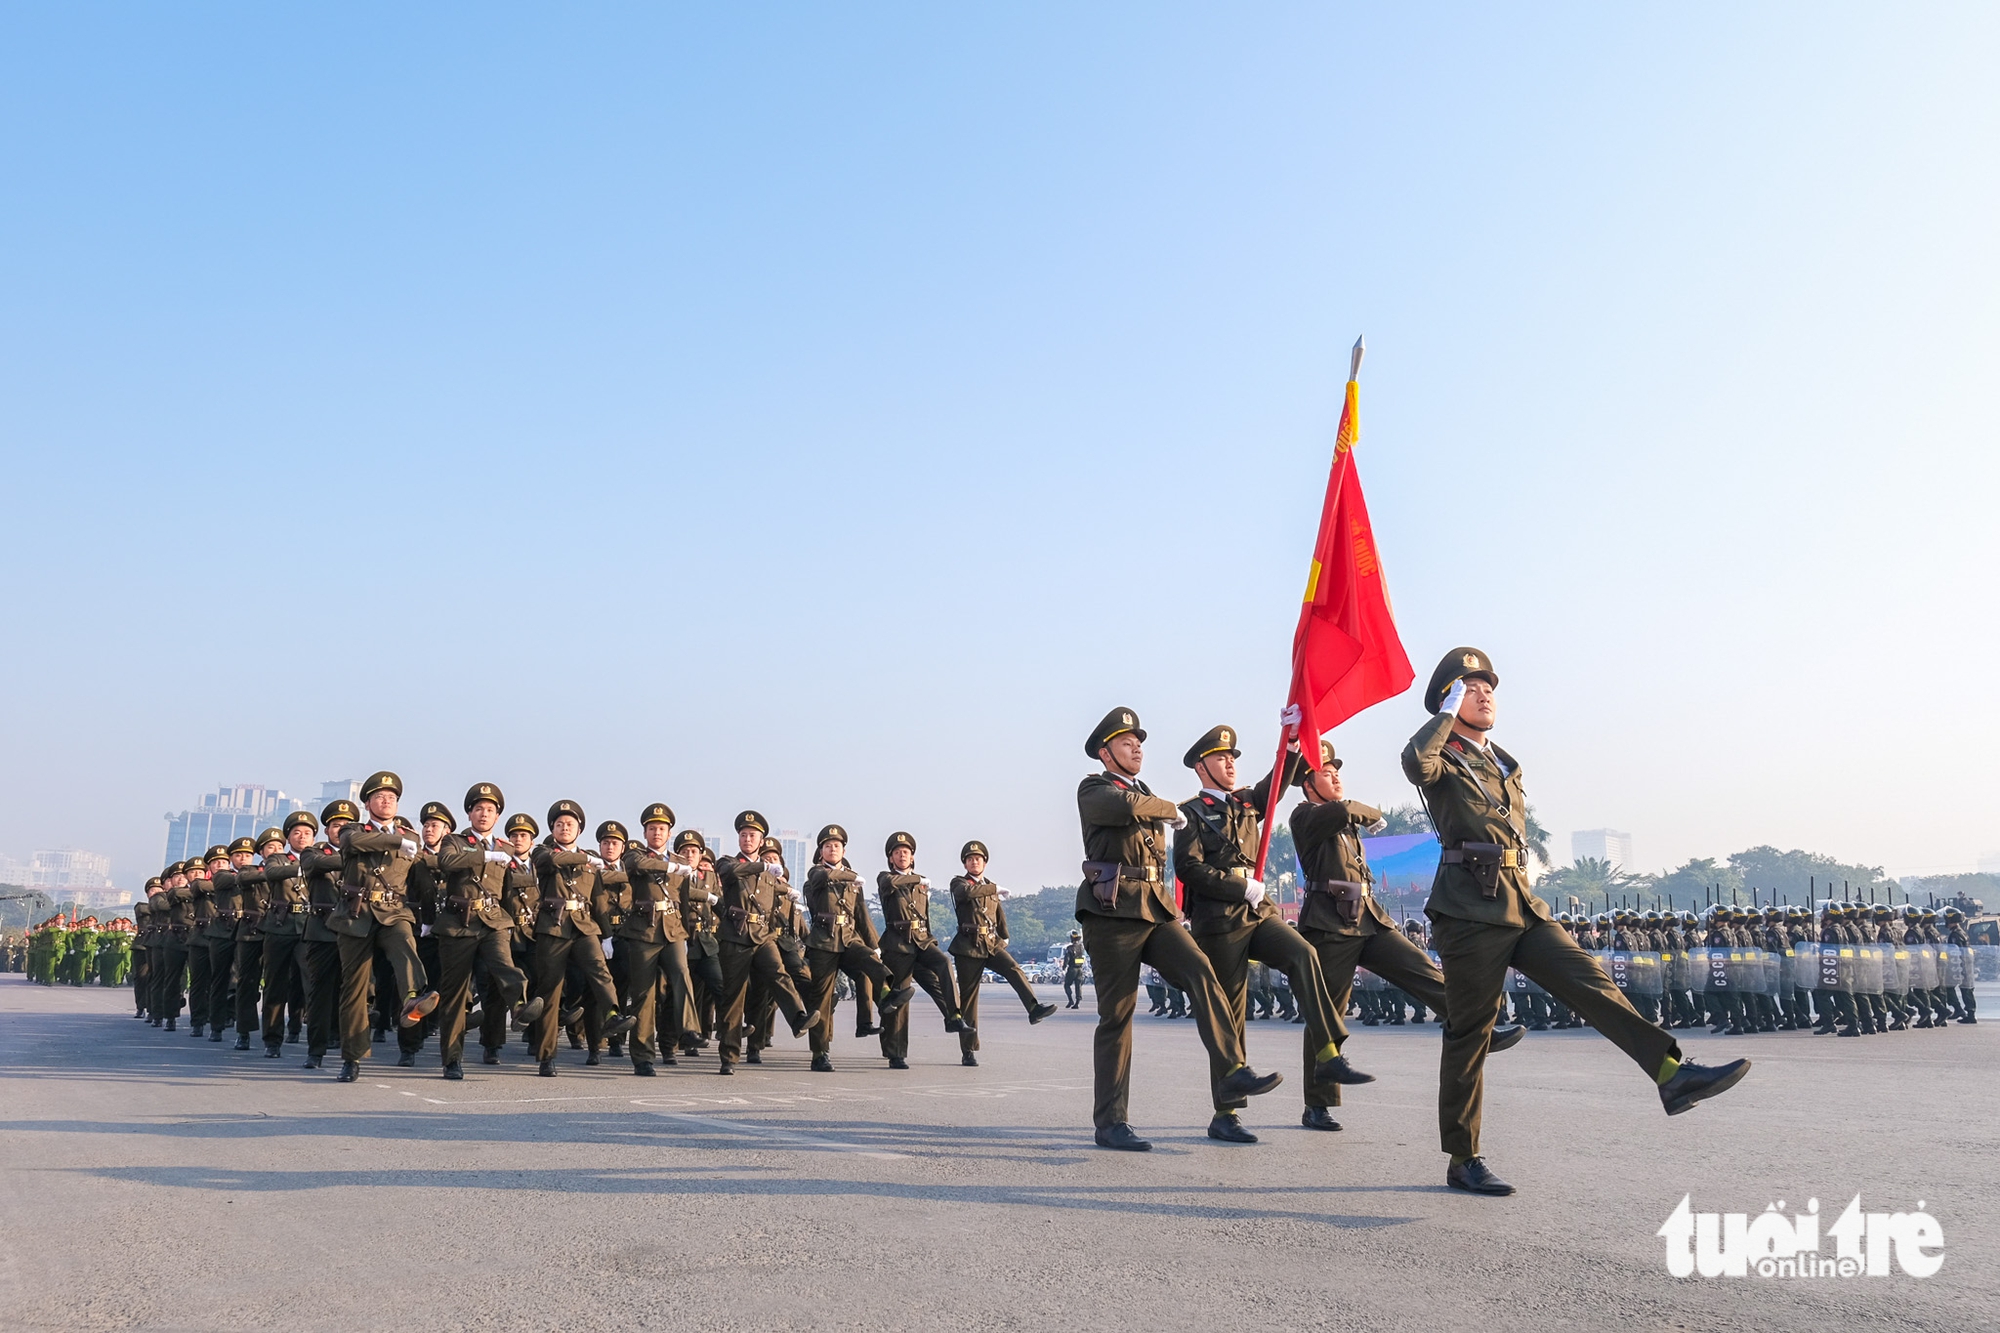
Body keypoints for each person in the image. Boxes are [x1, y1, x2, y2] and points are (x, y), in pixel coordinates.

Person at [1402, 647, 1748, 1195]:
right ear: (1448, 698)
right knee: (1470, 1031)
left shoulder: (1503, 764)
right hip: (1468, 912)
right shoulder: (1441, 757)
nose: (1485, 692)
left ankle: (1671, 1075)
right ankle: (1463, 1157)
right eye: (1470, 686)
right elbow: (1415, 765)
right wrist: (1442, 716)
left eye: (1488, 685)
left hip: (1520, 903)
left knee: (1590, 981)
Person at [1075, 706, 1283, 1151]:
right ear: (1106, 753)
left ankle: (1232, 1069)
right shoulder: (1095, 788)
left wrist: (1292, 746)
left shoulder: (1144, 792)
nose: (1137, 749)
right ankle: (1111, 1122)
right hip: (1112, 915)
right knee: (1118, 1016)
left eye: (1139, 744)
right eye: (1127, 744)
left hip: (1156, 910)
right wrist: (1170, 808)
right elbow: (1123, 806)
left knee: (1201, 971)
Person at [1289, 737, 1522, 1131]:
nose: (1336, 777)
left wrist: (1361, 816)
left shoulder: (1343, 822)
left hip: (1368, 918)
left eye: (1337, 771)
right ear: (1309, 784)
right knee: (1329, 1013)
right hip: (1331, 925)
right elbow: (1347, 809)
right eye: (1327, 773)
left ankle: (1480, 1030)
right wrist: (1367, 813)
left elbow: (1349, 815)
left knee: (1423, 970)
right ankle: (1318, 1104)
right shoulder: (1305, 815)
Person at [1174, 722, 1363, 1145]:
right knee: (1232, 1014)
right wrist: (1238, 885)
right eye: (1221, 758)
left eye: (1233, 758)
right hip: (1219, 919)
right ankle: (1226, 1114)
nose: (1229, 763)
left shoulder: (1247, 802)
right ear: (1201, 767)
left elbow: (1278, 781)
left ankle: (1329, 1053)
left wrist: (1292, 743)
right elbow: (1188, 868)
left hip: (1258, 912)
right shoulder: (1191, 813)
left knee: (1301, 954)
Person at [331, 772, 440, 1082]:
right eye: (380, 796)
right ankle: (352, 1058)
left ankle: (412, 1000)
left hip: (394, 911)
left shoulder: (413, 838)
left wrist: (430, 919)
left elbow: (422, 882)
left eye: (392, 797)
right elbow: (353, 842)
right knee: (354, 989)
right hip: (356, 914)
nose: (386, 800)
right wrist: (396, 840)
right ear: (367, 803)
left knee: (405, 942)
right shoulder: (354, 830)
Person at [428, 783, 539, 1080]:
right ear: (469, 813)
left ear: (498, 815)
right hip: (458, 923)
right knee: (454, 992)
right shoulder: (454, 840)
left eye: (490, 810)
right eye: (478, 809)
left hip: (492, 920)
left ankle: (519, 1006)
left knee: (504, 965)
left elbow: (504, 891)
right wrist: (483, 857)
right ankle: (452, 1059)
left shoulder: (505, 846)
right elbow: (446, 862)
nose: (484, 814)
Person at [526, 800, 637, 1076]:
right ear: (552, 828)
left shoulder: (590, 862)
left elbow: (599, 901)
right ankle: (546, 1055)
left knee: (600, 972)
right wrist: (585, 859)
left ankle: (612, 1015)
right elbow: (551, 861)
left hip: (585, 927)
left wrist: (607, 936)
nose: (565, 828)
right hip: (553, 927)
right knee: (550, 991)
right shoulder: (543, 851)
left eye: (570, 824)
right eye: (560, 824)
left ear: (579, 830)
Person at [712, 812, 820, 1073]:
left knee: (779, 974)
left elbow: (776, 899)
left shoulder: (770, 873)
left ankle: (797, 1019)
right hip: (735, 937)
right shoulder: (728, 862)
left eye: (753, 835)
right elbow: (731, 872)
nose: (747, 839)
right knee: (733, 997)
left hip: (763, 936)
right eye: (743, 835)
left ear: (761, 841)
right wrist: (763, 867)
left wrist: (790, 892)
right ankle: (729, 1056)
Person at [800, 824, 910, 1074]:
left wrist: (875, 945)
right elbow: (824, 878)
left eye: (836, 846)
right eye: (827, 846)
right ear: (821, 852)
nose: (832, 849)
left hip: (849, 938)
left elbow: (862, 915)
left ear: (843, 849)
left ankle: (885, 995)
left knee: (869, 963)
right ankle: (820, 1053)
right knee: (822, 999)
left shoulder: (852, 881)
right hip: (823, 942)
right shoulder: (815, 875)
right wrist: (850, 876)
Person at [948, 839, 1058, 1065]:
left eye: (978, 859)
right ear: (965, 864)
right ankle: (968, 1050)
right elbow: (968, 894)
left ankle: (1033, 1008)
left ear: (985, 863)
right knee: (969, 1000)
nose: (974, 862)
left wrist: (1004, 935)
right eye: (970, 860)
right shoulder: (959, 883)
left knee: (1013, 968)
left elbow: (998, 914)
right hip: (968, 946)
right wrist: (993, 889)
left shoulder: (990, 886)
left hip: (990, 942)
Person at [617, 803, 701, 1075]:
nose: (656, 832)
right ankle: (642, 1056)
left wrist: (687, 933)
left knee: (681, 974)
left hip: (673, 929)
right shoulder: (635, 855)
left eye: (661, 829)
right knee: (644, 995)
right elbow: (637, 865)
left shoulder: (680, 861)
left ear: (669, 832)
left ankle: (689, 1029)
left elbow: (685, 900)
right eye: (652, 828)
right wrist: (673, 869)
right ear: (645, 832)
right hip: (644, 930)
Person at [875, 831, 970, 1068]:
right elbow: (891, 883)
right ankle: (895, 1053)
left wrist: (930, 939)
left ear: (913, 857)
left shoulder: (920, 882)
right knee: (900, 998)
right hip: (898, 945)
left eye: (906, 852)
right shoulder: (886, 878)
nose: (902, 856)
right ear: (891, 858)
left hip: (922, 942)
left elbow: (924, 916)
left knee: (943, 964)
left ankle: (954, 1016)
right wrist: (915, 880)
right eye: (897, 853)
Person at [257, 811, 317, 1057]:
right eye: (296, 833)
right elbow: (272, 874)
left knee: (311, 984)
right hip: (279, 926)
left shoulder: (322, 858)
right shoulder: (278, 859)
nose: (302, 837)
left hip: (308, 926)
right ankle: (272, 1039)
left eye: (307, 833)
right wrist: (303, 866)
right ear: (288, 837)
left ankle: (313, 1037)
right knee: (275, 985)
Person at [1061, 931, 1087, 1008]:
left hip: (1072, 969)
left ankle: (1070, 1000)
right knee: (1078, 986)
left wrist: (1064, 967)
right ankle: (1077, 1002)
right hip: (1080, 969)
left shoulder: (1069, 948)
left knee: (1067, 985)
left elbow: (1067, 959)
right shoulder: (1081, 948)